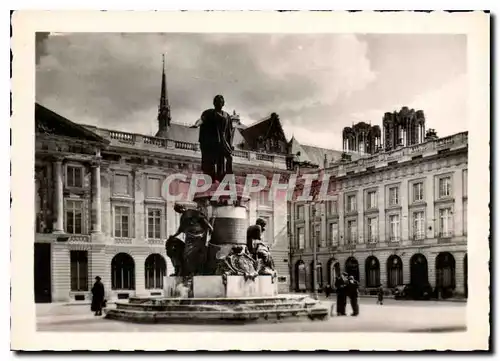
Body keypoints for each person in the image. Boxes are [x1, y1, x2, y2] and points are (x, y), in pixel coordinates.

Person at [196, 95, 235, 182]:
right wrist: (196, 124)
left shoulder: (227, 116)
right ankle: (213, 179)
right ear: (214, 103)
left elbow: (230, 131)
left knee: (228, 157)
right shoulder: (208, 113)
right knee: (213, 161)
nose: (219, 104)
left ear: (223, 103)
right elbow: (202, 120)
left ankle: (227, 177)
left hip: (223, 141)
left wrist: (230, 144)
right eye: (217, 102)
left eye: (221, 102)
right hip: (212, 141)